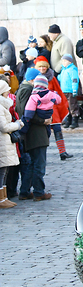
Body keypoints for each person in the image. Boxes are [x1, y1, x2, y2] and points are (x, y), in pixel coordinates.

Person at [15, 70, 52, 202]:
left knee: (32, 164)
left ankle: (25, 191)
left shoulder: (26, 89)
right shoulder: (28, 90)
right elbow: (27, 113)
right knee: (38, 164)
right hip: (35, 133)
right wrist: (43, 121)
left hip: (33, 133)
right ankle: (38, 192)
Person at [34, 56, 72, 160]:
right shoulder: (34, 77)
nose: (42, 69)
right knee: (44, 133)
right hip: (40, 108)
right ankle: (42, 155)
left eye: (44, 66)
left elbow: (58, 91)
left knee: (57, 129)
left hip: (52, 108)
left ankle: (62, 152)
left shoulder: (52, 78)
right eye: (40, 66)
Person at [0, 79, 24, 208]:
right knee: (2, 170)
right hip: (2, 141)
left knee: (5, 170)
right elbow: (3, 126)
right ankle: (1, 199)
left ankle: (4, 197)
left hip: (5, 141)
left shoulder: (4, 104)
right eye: (7, 91)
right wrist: (17, 125)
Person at [58, 54, 79, 129]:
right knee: (66, 106)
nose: (63, 62)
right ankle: (68, 119)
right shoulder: (63, 70)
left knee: (72, 105)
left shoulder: (72, 69)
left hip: (70, 90)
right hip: (64, 90)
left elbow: (74, 80)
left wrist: (74, 89)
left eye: (65, 61)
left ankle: (74, 119)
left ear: (70, 62)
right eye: (63, 61)